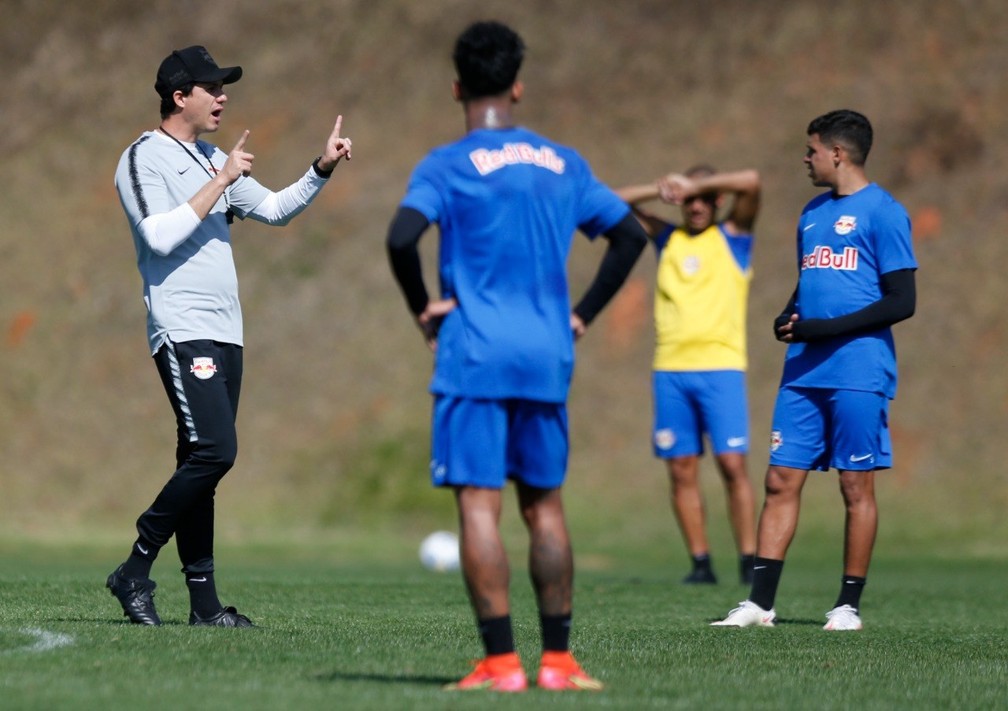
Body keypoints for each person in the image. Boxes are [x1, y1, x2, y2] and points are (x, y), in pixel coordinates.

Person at [386, 21, 647, 692]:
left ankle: (501, 664)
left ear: (457, 88)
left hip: (475, 353)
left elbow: (400, 236)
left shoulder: (446, 164)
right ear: (518, 86)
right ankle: (559, 663)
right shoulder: (564, 163)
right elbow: (627, 234)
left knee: (480, 506)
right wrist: (583, 313)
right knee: (546, 506)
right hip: (545, 356)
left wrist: (423, 306)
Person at [108, 45, 352, 627]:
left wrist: (320, 168)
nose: (222, 97)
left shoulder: (211, 157)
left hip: (226, 333)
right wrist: (219, 180)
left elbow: (272, 209)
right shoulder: (144, 157)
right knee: (218, 452)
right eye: (211, 87)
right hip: (182, 328)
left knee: (202, 464)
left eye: (224, 87)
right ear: (178, 96)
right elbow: (159, 236)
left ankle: (204, 607)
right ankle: (135, 568)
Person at [713, 109, 916, 630]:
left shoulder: (885, 212)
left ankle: (847, 606)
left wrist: (825, 330)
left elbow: (901, 301)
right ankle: (759, 604)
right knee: (780, 479)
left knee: (855, 486)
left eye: (812, 150)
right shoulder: (810, 213)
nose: (806, 159)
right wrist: (789, 314)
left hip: (858, 371)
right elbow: (810, 283)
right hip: (803, 370)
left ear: (838, 154)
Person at [615, 166, 761, 586]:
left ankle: (750, 560)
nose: (696, 206)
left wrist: (698, 183)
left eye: (704, 197)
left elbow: (751, 183)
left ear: (716, 200)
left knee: (732, 464)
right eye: (689, 199)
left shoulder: (734, 238)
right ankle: (701, 563)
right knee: (680, 467)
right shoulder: (668, 239)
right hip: (671, 370)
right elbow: (613, 199)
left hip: (722, 368)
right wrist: (661, 189)